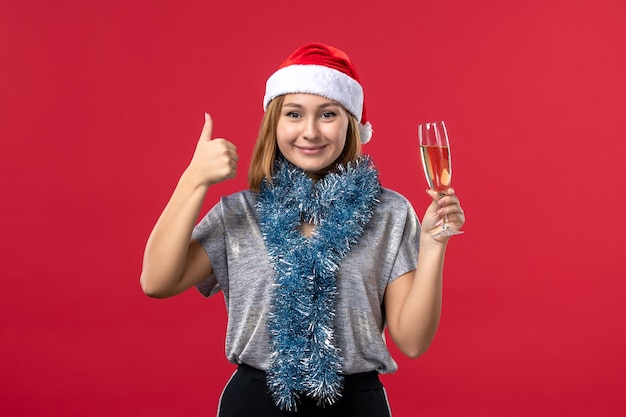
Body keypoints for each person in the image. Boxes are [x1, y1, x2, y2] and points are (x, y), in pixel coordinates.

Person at [140, 43, 465, 416]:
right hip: (255, 403)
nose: (309, 131)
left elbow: (412, 341)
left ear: (352, 125)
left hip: (354, 404)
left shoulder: (390, 212)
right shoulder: (241, 213)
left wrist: (433, 244)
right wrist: (193, 181)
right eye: (294, 114)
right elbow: (156, 282)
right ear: (274, 124)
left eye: (327, 114)